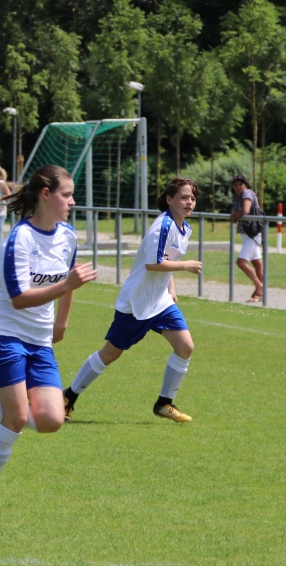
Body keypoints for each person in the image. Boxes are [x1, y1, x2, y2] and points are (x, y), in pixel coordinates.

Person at [0, 164, 98, 507]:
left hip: (39, 339)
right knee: (17, 416)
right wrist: (67, 284)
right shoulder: (20, 238)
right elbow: (19, 298)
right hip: (1, 332)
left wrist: (61, 322)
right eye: (66, 195)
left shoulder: (67, 235)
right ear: (46, 195)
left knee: (51, 420)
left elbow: (69, 279)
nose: (72, 202)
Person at [62, 178, 203, 423]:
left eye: (192, 198)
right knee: (110, 353)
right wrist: (186, 265)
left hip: (160, 301)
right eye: (183, 197)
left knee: (185, 347)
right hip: (137, 302)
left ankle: (164, 403)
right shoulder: (163, 226)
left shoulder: (184, 228)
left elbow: (166, 259)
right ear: (169, 199)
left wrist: (170, 286)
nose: (189, 202)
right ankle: (68, 397)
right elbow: (153, 263)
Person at [230, 174, 264, 302]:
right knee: (257, 263)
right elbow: (236, 213)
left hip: (252, 233)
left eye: (240, 184)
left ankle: (259, 286)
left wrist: (236, 215)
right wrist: (234, 215)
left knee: (241, 262)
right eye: (235, 185)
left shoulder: (247, 193)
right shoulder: (236, 197)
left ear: (246, 185)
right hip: (246, 233)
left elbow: (245, 210)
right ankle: (260, 294)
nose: (238, 187)